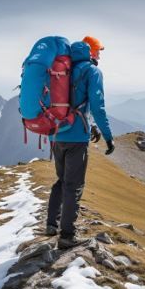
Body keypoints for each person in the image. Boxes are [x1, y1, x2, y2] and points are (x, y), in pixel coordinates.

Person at [46, 36, 115, 249]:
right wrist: (108, 135)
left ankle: (51, 224)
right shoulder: (92, 71)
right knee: (73, 185)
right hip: (77, 138)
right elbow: (97, 106)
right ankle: (66, 236)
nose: (100, 55)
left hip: (56, 135)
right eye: (98, 51)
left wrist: (90, 126)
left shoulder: (60, 70)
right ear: (91, 52)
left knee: (61, 180)